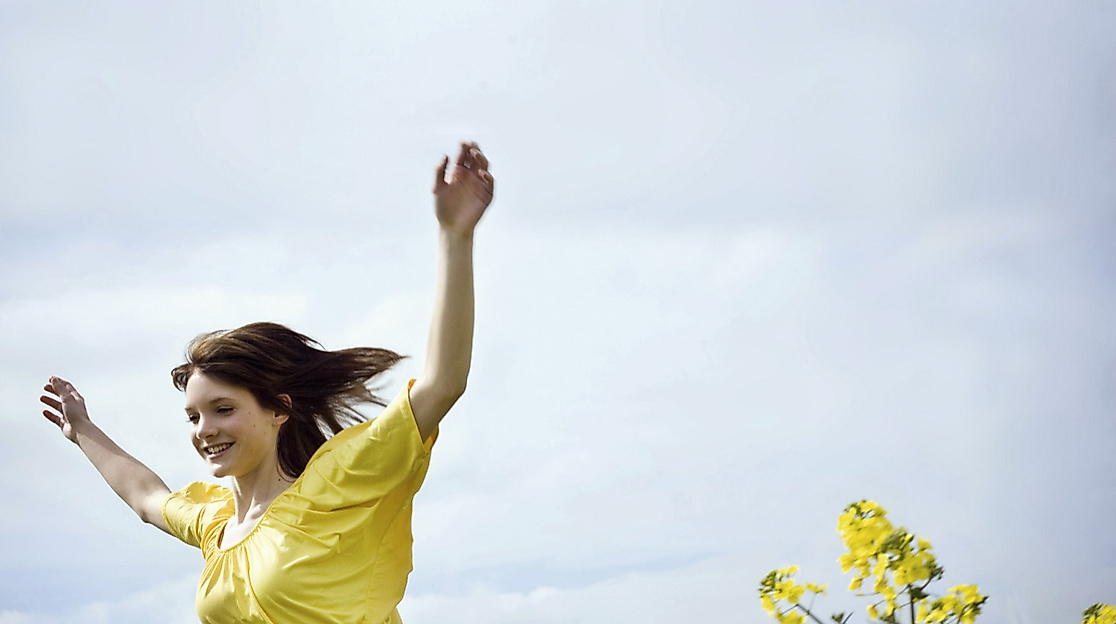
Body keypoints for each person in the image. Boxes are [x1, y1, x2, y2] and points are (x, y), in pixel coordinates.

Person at [39, 141, 494, 624]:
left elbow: (443, 382)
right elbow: (147, 498)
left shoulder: (337, 481)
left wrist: (455, 236)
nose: (204, 429)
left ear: (279, 409)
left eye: (223, 409)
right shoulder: (216, 524)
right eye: (194, 416)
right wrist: (82, 429)